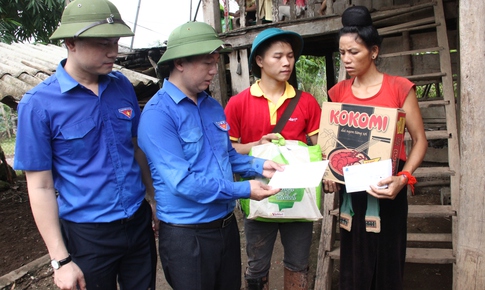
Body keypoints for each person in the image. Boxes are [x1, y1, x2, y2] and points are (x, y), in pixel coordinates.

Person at [13, 0, 157, 289]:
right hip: (87, 236)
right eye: (103, 43)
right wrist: (61, 261)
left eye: (116, 42)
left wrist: (153, 200)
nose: (114, 52)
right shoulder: (39, 104)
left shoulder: (122, 86)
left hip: (138, 223)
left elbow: (135, 147)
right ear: (71, 43)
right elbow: (39, 186)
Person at [137, 21, 283, 290]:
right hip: (187, 235)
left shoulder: (212, 106)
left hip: (225, 227)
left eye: (216, 62)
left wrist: (261, 165)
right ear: (179, 63)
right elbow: (183, 182)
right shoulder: (158, 115)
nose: (215, 71)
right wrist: (243, 189)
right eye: (207, 63)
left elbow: (227, 156)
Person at [323, 6, 428, 290]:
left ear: (374, 51)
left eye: (354, 52)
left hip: (388, 189)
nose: (346, 59)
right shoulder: (338, 93)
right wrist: (329, 177)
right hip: (352, 194)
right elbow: (331, 146)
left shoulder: (399, 88)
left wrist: (403, 178)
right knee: (354, 268)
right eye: (342, 52)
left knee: (387, 268)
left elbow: (420, 141)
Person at [224, 28, 322, 290]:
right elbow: (228, 152)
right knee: (256, 265)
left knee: (298, 263)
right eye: (277, 56)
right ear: (259, 61)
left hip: (299, 196)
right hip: (257, 195)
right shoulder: (237, 104)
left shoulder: (307, 102)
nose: (286, 62)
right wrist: (257, 145)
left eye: (290, 56)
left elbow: (320, 148)